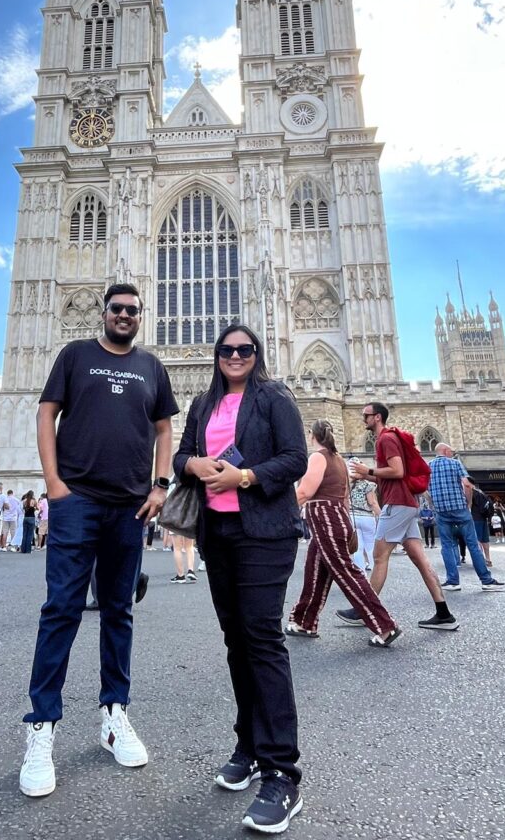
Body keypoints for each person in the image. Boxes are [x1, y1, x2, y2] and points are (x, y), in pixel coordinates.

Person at [19, 283, 178, 799]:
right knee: (61, 608)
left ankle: (115, 716)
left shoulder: (151, 366)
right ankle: (42, 726)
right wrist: (55, 487)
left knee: (119, 610)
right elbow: (46, 412)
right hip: (77, 501)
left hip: (129, 506)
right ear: (105, 314)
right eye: (118, 309)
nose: (125, 315)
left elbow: (163, 428)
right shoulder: (75, 354)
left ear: (139, 316)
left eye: (133, 310)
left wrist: (161, 485)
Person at [173, 324, 308, 835]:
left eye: (244, 349)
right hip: (219, 532)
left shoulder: (274, 397)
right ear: (216, 356)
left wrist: (244, 476)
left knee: (262, 640)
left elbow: (296, 458)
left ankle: (282, 772)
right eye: (226, 350)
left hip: (264, 533)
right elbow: (181, 455)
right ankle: (249, 746)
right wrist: (196, 464)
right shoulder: (204, 404)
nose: (235, 356)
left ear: (257, 354)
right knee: (236, 641)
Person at [345, 403, 459, 631]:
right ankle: (444, 613)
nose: (363, 419)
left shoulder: (386, 439)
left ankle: (364, 610)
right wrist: (368, 476)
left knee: (379, 557)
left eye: (365, 416)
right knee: (420, 559)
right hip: (406, 503)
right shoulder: (388, 438)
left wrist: (368, 470)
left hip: (397, 504)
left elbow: (397, 471)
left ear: (377, 417)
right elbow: (390, 477)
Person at [285, 421, 400, 648]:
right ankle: (304, 622)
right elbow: (345, 498)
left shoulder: (317, 457)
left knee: (346, 572)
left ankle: (385, 626)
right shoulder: (338, 460)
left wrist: (281, 512)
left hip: (324, 516)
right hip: (336, 516)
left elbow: (305, 491)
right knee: (315, 570)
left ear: (312, 436)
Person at [428, 444, 504, 593]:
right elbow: (467, 485)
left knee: (447, 546)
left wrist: (433, 504)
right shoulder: (455, 463)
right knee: (473, 545)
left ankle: (452, 581)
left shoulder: (428, 466)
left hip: (442, 511)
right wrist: (468, 503)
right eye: (451, 451)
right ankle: (486, 581)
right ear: (445, 451)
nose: (453, 453)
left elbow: (423, 488)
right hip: (459, 509)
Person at [349, 474, 380, 571]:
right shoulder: (368, 485)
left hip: (352, 516)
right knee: (370, 545)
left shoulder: (349, 485)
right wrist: (381, 515)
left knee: (358, 547)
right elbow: (372, 503)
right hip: (366, 517)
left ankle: (360, 570)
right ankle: (374, 567)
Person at [470, 482, 494, 565]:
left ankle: (480, 560)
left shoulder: (472, 492)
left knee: (477, 540)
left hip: (475, 518)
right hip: (483, 518)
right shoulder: (481, 492)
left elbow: (469, 505)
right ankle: (488, 559)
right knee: (485, 540)